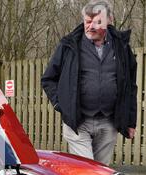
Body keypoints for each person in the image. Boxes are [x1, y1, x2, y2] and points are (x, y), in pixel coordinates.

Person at [41, 0, 137, 165]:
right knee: (86, 170)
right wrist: (60, 104)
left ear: (109, 21)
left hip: (108, 122)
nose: (91, 26)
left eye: (97, 21)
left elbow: (130, 86)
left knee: (100, 173)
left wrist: (130, 121)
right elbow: (48, 79)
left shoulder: (121, 47)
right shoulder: (69, 45)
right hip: (78, 122)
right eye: (87, 21)